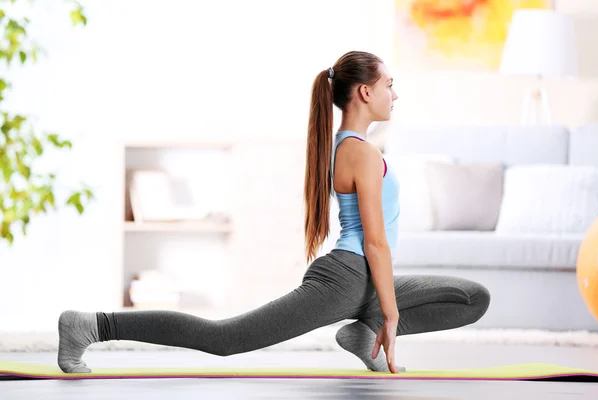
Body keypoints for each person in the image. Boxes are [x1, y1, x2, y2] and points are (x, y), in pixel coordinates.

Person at [57, 50, 490, 375]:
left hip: (363, 279)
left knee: (472, 298)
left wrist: (384, 309)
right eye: (389, 85)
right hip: (348, 277)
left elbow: (378, 245)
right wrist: (393, 316)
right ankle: (91, 326)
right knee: (224, 338)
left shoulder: (349, 146)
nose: (394, 94)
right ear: (365, 91)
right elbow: (375, 242)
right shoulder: (360, 152)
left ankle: (360, 330)